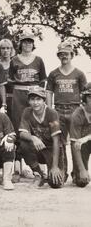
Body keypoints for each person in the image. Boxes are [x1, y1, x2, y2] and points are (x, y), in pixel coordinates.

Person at [9, 32, 47, 182]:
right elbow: (10, 82)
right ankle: (17, 168)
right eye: (24, 42)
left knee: (37, 127)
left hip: (35, 94)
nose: (27, 44)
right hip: (19, 94)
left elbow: (43, 80)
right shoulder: (14, 60)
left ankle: (39, 168)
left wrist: (41, 99)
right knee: (19, 128)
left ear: (33, 44)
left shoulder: (38, 60)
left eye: (29, 42)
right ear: (20, 44)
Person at [46, 42, 87, 182]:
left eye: (67, 54)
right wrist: (49, 109)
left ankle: (78, 173)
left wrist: (84, 111)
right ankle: (61, 172)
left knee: (76, 142)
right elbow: (49, 92)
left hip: (75, 110)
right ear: (58, 55)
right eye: (61, 54)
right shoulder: (53, 74)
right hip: (58, 110)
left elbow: (85, 94)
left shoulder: (79, 74)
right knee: (60, 142)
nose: (64, 56)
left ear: (72, 55)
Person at [19, 87, 65, 188]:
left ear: (44, 100)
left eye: (38, 99)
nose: (35, 103)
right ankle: (38, 174)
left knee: (55, 184)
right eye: (32, 99)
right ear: (29, 101)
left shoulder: (51, 113)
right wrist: (33, 138)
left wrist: (54, 166)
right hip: (38, 148)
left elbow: (56, 141)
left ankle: (54, 170)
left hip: (52, 149)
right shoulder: (27, 112)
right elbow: (22, 133)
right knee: (23, 144)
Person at [70, 83, 91, 187]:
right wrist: (82, 170)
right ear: (85, 98)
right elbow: (75, 143)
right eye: (90, 97)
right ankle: (77, 171)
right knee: (82, 181)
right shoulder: (77, 114)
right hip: (82, 146)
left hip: (86, 140)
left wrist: (87, 137)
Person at [0, 39, 15, 119]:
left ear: (11, 50)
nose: (5, 50)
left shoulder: (15, 64)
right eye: (3, 48)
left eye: (8, 48)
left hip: (13, 99)